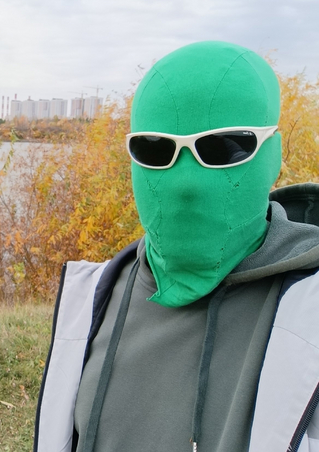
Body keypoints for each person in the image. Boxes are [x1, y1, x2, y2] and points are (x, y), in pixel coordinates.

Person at [33, 41, 319, 452]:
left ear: (272, 154)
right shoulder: (93, 298)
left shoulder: (311, 314)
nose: (186, 183)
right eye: (155, 149)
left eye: (223, 147)